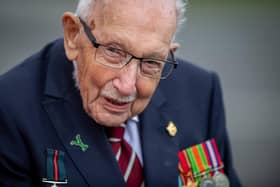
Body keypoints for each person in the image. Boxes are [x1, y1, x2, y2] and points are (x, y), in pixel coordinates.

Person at [0, 0, 241, 186]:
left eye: (151, 62)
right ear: (73, 35)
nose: (127, 85)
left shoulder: (200, 91)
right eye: (113, 51)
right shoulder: (10, 108)